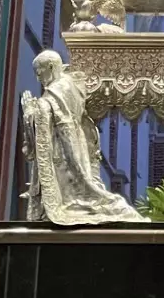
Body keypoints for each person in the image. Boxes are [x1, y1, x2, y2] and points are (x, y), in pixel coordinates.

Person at [21, 51, 145, 226]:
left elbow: (45, 112)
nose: (37, 76)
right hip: (72, 139)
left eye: (39, 71)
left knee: (80, 189)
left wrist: (29, 112)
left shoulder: (59, 88)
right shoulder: (69, 84)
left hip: (64, 146)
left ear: (50, 67)